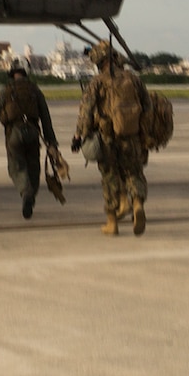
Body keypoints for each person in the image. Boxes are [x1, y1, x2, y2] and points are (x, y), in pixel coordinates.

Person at [71, 41, 150, 236]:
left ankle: (112, 223)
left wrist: (78, 135)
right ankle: (137, 203)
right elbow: (147, 106)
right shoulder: (133, 79)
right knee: (134, 172)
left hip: (106, 137)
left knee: (109, 178)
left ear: (99, 61)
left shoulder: (97, 82)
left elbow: (86, 112)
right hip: (130, 135)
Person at [0, 63, 59, 219]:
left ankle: (26, 193)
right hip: (33, 133)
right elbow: (46, 118)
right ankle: (31, 196)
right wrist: (51, 142)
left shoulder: (5, 91)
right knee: (34, 167)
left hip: (14, 134)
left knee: (17, 167)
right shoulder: (35, 90)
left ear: (12, 73)